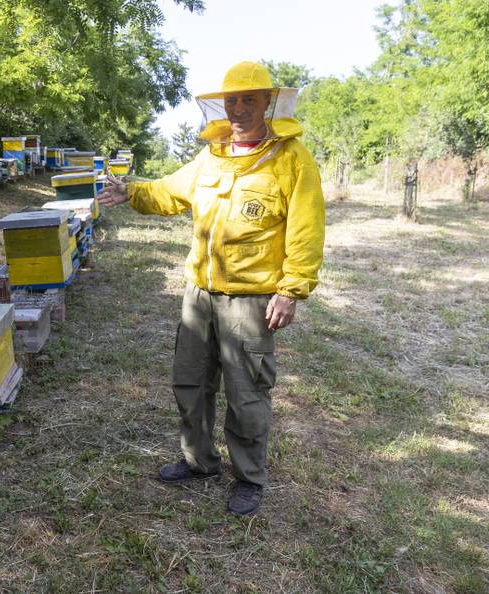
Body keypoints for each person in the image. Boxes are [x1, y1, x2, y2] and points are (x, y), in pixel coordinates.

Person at [97, 61, 325, 516]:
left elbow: (306, 229)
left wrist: (292, 289)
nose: (238, 109)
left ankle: (249, 478)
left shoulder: (291, 159)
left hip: (252, 298)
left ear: (268, 103)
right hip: (199, 295)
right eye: (232, 100)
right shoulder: (213, 154)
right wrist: (133, 193)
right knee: (191, 383)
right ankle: (199, 461)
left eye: (249, 100)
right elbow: (171, 191)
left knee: (246, 394)